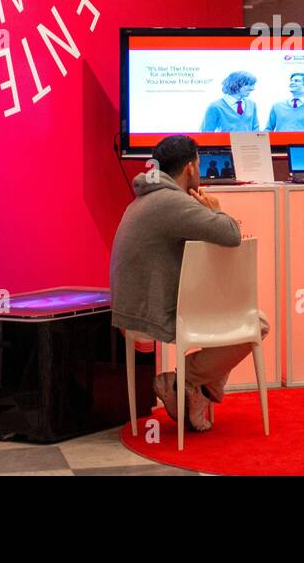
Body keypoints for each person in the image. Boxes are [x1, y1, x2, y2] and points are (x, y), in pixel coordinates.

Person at [110, 134, 269, 432]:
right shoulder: (172, 202)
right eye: (199, 163)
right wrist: (215, 208)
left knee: (242, 322)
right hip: (150, 312)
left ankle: (197, 392)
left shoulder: (148, 198)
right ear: (191, 169)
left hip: (135, 307)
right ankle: (186, 382)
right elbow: (231, 233)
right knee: (256, 324)